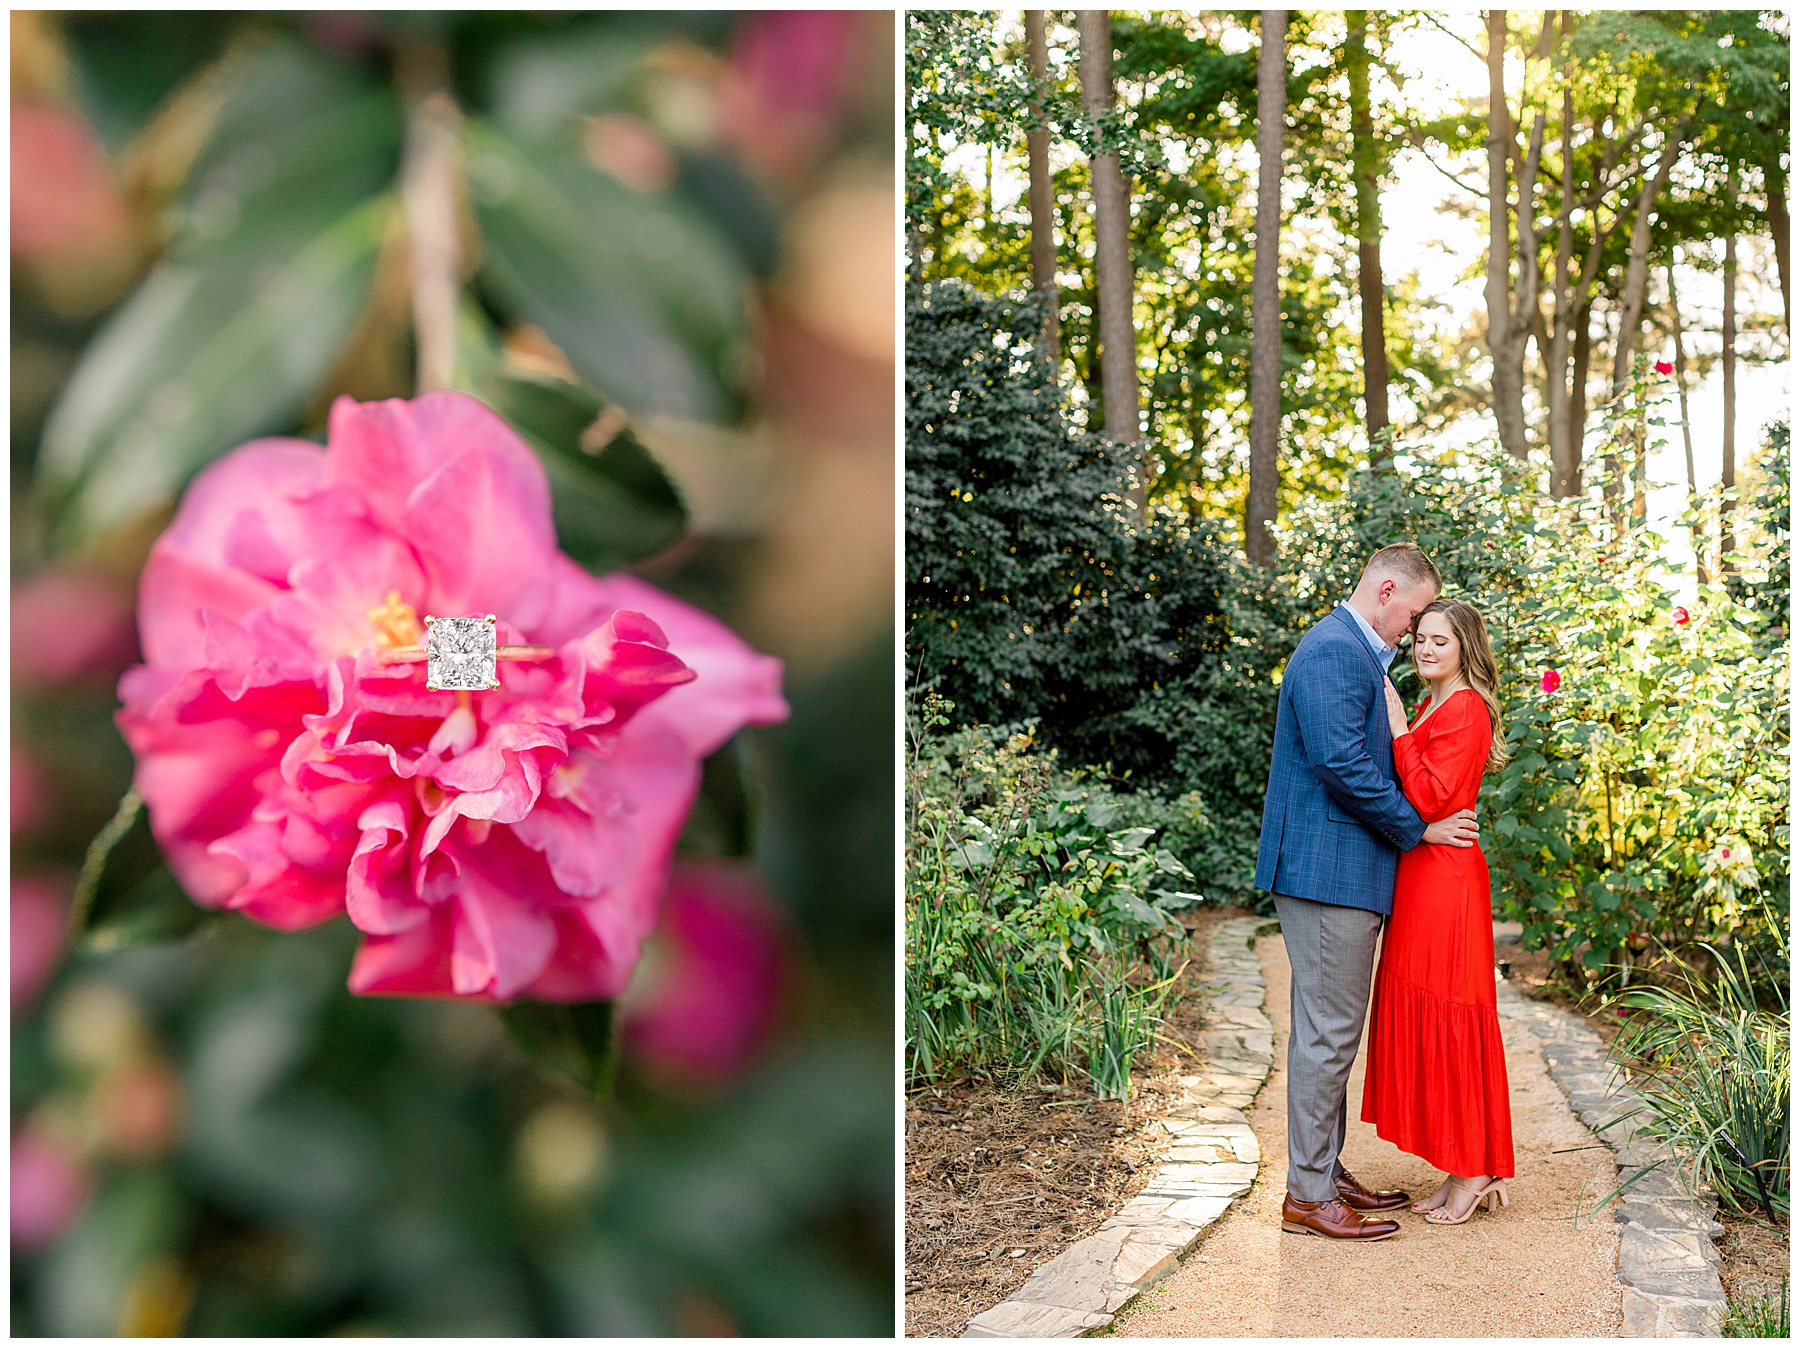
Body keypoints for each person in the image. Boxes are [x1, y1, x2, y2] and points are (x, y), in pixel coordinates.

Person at [1254, 543, 1480, 1242]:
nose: (1413, 632)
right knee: (1328, 1035)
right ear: (1386, 592)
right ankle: (1308, 1195)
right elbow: (1341, 763)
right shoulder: (1334, 651)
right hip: (1328, 872)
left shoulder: (1353, 652)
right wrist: (1419, 828)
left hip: (1339, 869)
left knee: (1330, 1032)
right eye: (1413, 614)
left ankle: (1323, 1170)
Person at [1362, 598, 1515, 1224]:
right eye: (1420, 638)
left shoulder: (1466, 708)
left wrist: (1399, 734)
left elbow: (1429, 797)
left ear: (1465, 648)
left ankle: (1477, 1167)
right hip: (1423, 872)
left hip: (1447, 881)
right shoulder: (1436, 703)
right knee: (1425, 1004)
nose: (1425, 649)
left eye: (1440, 641)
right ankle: (1458, 1164)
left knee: (1450, 1009)